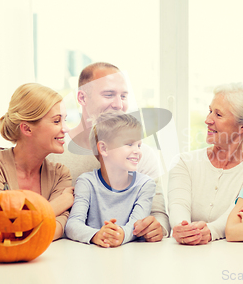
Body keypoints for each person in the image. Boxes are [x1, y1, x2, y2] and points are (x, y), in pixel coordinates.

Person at [47, 62, 169, 242]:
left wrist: (159, 228)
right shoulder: (54, 154)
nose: (119, 104)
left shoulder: (142, 155)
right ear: (82, 98)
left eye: (124, 96)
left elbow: (159, 215)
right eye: (109, 94)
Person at [168, 83, 243, 245]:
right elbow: (178, 205)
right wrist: (183, 228)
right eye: (210, 111)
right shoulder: (184, 162)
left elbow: (233, 215)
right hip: (183, 255)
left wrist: (209, 231)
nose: (207, 120)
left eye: (218, 115)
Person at [0, 83, 74, 240]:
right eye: (56, 121)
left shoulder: (60, 174)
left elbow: (55, 230)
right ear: (27, 129)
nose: (66, 129)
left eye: (65, 120)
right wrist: (60, 203)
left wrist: (19, 223)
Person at [65, 112, 156, 247]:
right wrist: (97, 235)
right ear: (104, 148)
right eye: (129, 144)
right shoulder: (86, 182)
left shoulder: (145, 185)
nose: (137, 151)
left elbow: (136, 225)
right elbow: (72, 224)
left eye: (139, 145)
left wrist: (120, 235)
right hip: (92, 256)